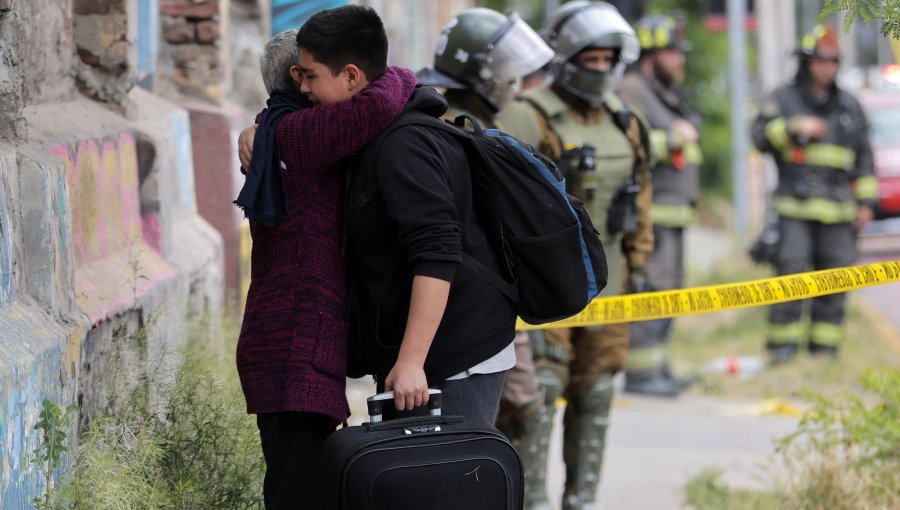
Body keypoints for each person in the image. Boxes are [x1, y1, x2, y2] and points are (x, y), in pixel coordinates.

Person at [294, 5, 517, 427]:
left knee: (447, 488)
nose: (303, 88)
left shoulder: (402, 146)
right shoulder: (376, 133)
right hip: (429, 349)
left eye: (309, 76)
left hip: (456, 354)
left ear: (351, 77)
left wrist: (413, 362)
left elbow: (437, 250)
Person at [234, 28, 416, 510]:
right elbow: (381, 101)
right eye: (321, 70)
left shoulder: (277, 129)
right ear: (301, 78)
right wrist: (380, 68)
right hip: (292, 349)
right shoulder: (299, 136)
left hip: (292, 347)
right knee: (300, 494)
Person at [498, 3, 653, 508]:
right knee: (536, 395)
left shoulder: (625, 120)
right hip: (547, 285)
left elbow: (641, 195)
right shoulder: (529, 112)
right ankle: (532, 501)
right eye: (592, 57)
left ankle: (581, 500)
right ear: (567, 57)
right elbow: (507, 201)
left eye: (611, 58)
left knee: (598, 392)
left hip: (612, 284)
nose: (602, 68)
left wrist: (640, 263)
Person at [415, 5, 555, 496]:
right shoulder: (447, 125)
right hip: (464, 321)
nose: (515, 83)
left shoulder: (474, 119)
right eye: (507, 72)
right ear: (481, 71)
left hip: (488, 313)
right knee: (469, 450)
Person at [751, 25, 876, 364]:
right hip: (794, 210)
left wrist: (866, 203)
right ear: (807, 63)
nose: (828, 68)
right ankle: (782, 353)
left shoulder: (849, 105)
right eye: (821, 61)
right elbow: (759, 137)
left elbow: (864, 157)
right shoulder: (783, 98)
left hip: (838, 213)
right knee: (791, 279)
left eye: (833, 62)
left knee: (835, 281)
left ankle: (824, 354)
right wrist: (792, 127)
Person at [617, 13, 699, 397]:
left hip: (673, 214)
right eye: (672, 53)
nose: (680, 61)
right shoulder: (632, 90)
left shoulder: (661, 91)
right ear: (651, 55)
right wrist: (674, 139)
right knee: (651, 292)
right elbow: (631, 146)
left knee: (670, 290)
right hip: (652, 216)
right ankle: (642, 374)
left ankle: (659, 367)